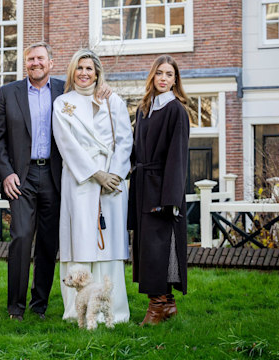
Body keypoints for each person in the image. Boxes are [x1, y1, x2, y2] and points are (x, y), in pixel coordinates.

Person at [0, 42, 111, 321]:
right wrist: (6, 172)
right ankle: (15, 308)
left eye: (41, 58)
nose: (36, 63)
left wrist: (104, 89)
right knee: (21, 237)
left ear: (51, 62)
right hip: (21, 176)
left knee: (48, 242)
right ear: (26, 63)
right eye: (31, 58)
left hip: (57, 175)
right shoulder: (8, 94)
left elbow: (91, 91)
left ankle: (39, 305)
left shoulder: (64, 90)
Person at [52, 49, 132, 325]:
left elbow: (125, 140)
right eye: (79, 68)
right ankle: (78, 311)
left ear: (98, 73)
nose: (84, 73)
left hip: (111, 182)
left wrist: (115, 175)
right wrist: (95, 173)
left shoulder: (113, 101)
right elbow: (67, 144)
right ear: (72, 71)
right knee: (81, 239)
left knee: (108, 243)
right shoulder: (62, 104)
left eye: (90, 69)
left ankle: (116, 310)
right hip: (80, 179)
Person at [128, 54, 190, 326]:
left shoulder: (176, 110)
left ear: (175, 80)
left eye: (169, 74)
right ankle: (168, 304)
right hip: (142, 185)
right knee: (146, 248)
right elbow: (133, 148)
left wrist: (171, 199)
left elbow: (178, 156)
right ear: (152, 76)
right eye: (160, 73)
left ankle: (157, 306)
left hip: (162, 189)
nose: (164, 78)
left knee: (160, 249)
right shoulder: (145, 108)